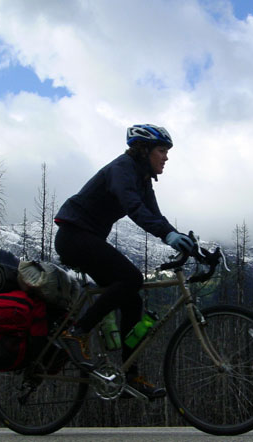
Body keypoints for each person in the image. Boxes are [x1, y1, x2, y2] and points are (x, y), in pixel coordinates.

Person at [54, 124, 194, 399]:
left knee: (133, 299)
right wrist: (167, 235)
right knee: (131, 279)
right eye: (162, 151)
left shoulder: (141, 177)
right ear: (144, 150)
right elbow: (134, 207)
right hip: (74, 237)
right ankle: (76, 332)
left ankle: (131, 377)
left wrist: (181, 238)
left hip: (87, 238)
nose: (166, 158)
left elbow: (154, 214)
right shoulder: (122, 170)